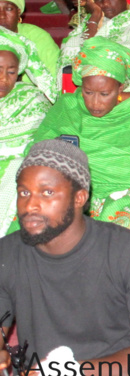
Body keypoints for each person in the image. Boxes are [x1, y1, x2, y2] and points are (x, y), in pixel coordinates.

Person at [0, 140, 130, 376]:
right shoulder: (7, 253)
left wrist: (65, 373)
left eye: (47, 193)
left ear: (79, 198)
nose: (30, 206)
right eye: (24, 193)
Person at [33, 39, 130, 242]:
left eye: (105, 94)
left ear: (120, 87)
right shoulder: (67, 107)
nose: (95, 103)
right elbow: (38, 152)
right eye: (88, 92)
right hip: (75, 193)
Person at [0, 28, 56, 231]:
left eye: (11, 72)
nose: (4, 78)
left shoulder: (31, 99)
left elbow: (37, 145)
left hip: (15, 168)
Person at [0, 0, 59, 74]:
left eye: (8, 9)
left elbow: (55, 73)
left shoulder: (37, 36)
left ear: (18, 12)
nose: (2, 16)